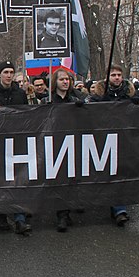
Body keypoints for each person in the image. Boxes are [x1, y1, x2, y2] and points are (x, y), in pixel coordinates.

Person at [0, 62, 32, 234]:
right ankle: (1, 216)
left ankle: (19, 218)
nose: (9, 75)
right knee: (0, 181)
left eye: (11, 72)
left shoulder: (20, 93)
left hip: (17, 143)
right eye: (5, 72)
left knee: (19, 180)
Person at [88, 64, 139, 226]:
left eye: (119, 75)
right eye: (113, 75)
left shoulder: (131, 93)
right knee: (112, 173)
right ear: (107, 78)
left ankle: (119, 207)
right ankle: (118, 208)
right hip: (105, 139)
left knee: (122, 173)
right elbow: (89, 112)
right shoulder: (99, 94)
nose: (116, 78)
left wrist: (138, 103)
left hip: (126, 139)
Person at [44, 69, 84, 232]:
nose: (65, 82)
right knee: (58, 180)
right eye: (61, 79)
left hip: (72, 143)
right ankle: (61, 214)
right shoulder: (48, 101)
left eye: (67, 79)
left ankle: (67, 211)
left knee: (71, 180)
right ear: (55, 82)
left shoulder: (76, 99)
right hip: (54, 144)